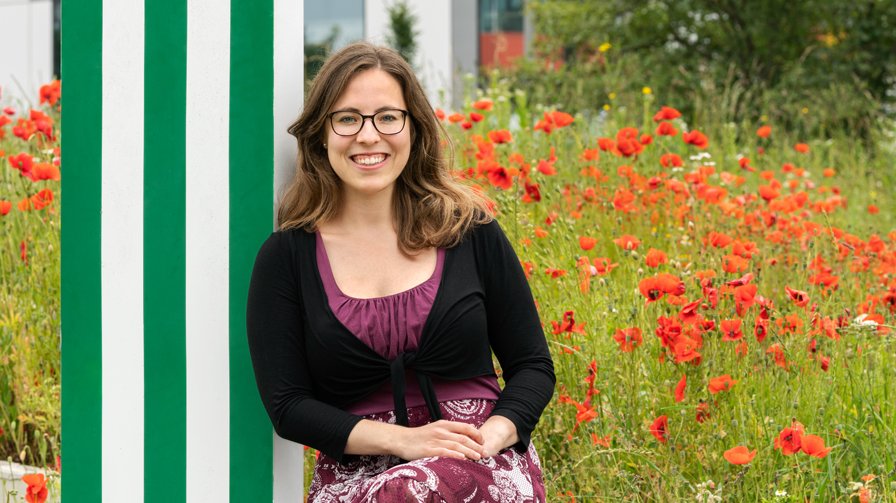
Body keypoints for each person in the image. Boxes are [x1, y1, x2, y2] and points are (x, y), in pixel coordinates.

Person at [246, 41, 555, 502]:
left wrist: (491, 436)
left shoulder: (470, 232)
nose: (368, 136)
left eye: (388, 117)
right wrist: (404, 441)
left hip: (477, 463)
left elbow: (532, 366)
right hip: (356, 477)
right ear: (321, 135)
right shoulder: (286, 258)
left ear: (414, 128)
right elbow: (289, 407)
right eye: (348, 118)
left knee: (413, 490)